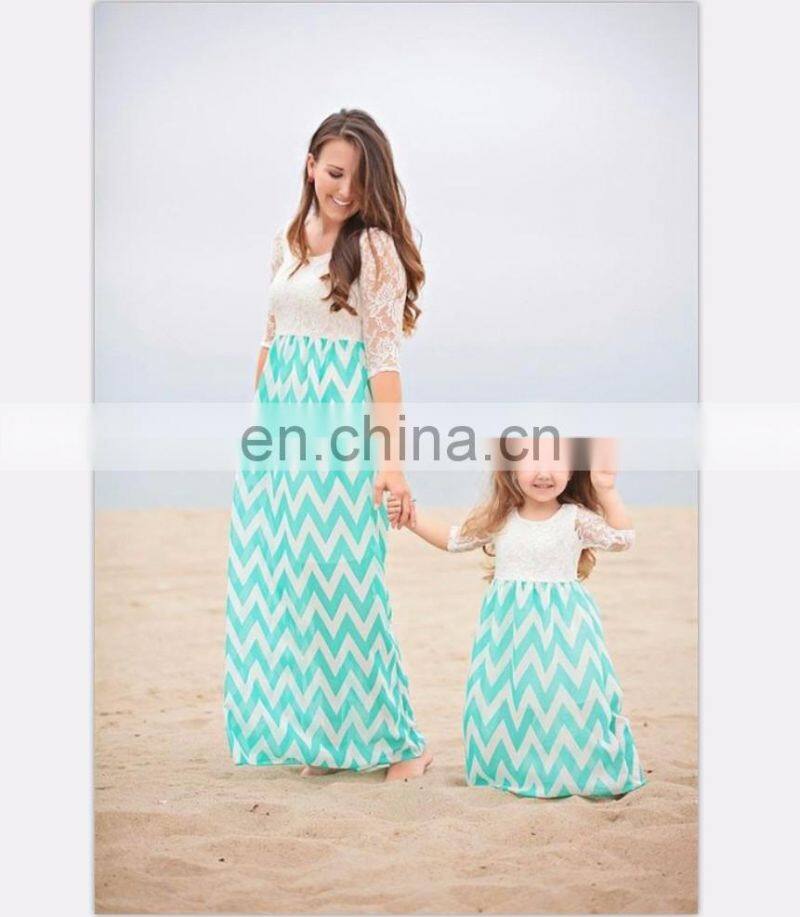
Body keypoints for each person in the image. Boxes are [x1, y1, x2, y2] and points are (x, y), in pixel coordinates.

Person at [223, 109, 432, 781]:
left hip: (339, 429)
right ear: (311, 164)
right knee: (287, 583)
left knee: (347, 582)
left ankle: (403, 743)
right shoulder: (287, 241)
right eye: (335, 173)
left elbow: (384, 363)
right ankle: (332, 736)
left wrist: (391, 464)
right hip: (280, 435)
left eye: (359, 179)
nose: (345, 190)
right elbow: (270, 337)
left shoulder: (374, 249)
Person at [387, 438, 645, 798]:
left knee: (569, 695)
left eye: (556, 462)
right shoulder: (501, 519)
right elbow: (452, 539)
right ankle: (514, 769)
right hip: (508, 631)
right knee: (507, 699)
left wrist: (606, 489)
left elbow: (621, 538)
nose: (544, 473)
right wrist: (410, 516)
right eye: (531, 461)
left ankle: (574, 770)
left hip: (564, 628)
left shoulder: (574, 519)